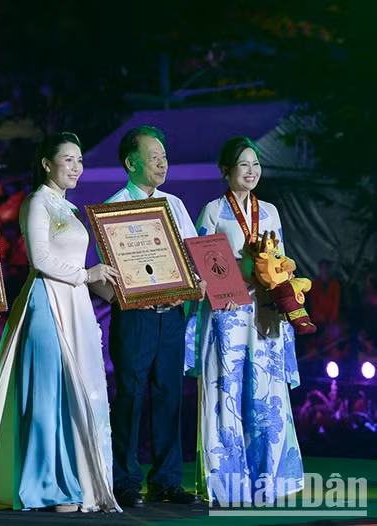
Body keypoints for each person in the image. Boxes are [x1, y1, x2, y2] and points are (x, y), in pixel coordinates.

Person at [0, 133, 121, 513]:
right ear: (47, 164)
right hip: (47, 304)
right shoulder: (37, 202)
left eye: (80, 160)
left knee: (76, 395)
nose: (76, 166)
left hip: (76, 304)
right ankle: (47, 487)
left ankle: (74, 481)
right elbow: (41, 260)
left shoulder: (68, 208)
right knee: (47, 397)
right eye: (68, 159)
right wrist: (88, 274)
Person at [191, 136, 303, 504]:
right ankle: (228, 483)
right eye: (243, 164)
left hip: (264, 312)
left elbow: (282, 262)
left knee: (265, 392)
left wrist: (281, 292)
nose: (252, 171)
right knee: (226, 390)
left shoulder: (270, 211)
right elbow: (202, 266)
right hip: (226, 313)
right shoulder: (211, 211)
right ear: (226, 171)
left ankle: (269, 481)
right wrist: (242, 268)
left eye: (255, 164)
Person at [105, 125, 201, 507]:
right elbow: (112, 267)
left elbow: (192, 252)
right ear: (131, 163)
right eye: (154, 156)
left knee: (169, 395)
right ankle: (124, 479)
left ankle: (167, 479)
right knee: (129, 395)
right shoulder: (113, 207)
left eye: (164, 156)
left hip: (171, 315)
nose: (163, 162)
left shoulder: (174, 204)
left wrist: (199, 280)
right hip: (134, 316)